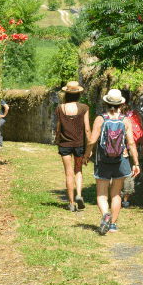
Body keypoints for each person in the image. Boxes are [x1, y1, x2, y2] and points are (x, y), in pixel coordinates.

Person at [84, 89, 139, 235]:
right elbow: (131, 143)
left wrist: (87, 154)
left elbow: (92, 140)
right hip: (121, 160)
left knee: (102, 194)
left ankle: (105, 215)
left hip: (103, 160)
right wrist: (136, 163)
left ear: (106, 103)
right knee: (116, 193)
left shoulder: (100, 119)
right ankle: (113, 225)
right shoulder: (125, 120)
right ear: (122, 104)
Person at [55, 81, 90, 212]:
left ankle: (71, 203)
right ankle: (79, 194)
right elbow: (87, 129)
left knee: (68, 174)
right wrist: (89, 147)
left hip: (64, 144)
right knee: (78, 170)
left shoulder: (60, 108)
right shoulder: (84, 108)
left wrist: (58, 141)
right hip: (79, 144)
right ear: (78, 94)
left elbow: (58, 128)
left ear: (66, 94)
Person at [119, 89, 143, 208]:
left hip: (119, 148)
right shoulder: (135, 113)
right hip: (133, 148)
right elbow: (142, 130)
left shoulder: (116, 115)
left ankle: (117, 194)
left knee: (117, 171)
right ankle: (125, 200)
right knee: (129, 173)